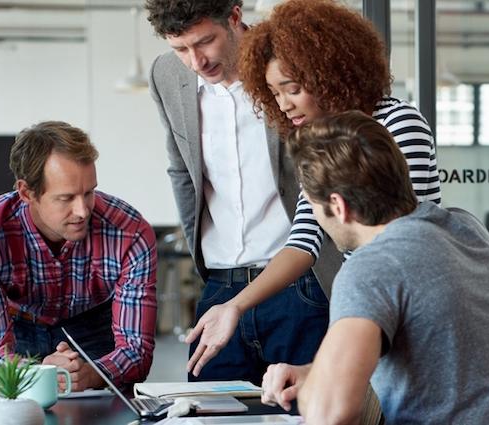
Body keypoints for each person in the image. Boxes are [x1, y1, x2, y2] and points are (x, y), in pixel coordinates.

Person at [184, 0, 442, 376]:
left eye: (292, 88)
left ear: (329, 73)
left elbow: (407, 243)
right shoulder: (317, 141)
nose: (284, 104)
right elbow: (304, 241)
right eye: (274, 93)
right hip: (365, 309)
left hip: (404, 315)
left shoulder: (398, 122)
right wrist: (234, 307)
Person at [261, 110, 489, 424]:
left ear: (338, 206)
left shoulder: (371, 267)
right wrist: (314, 375)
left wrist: (319, 390)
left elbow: (331, 412)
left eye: (312, 205)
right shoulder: (466, 229)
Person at [145, 0, 338, 384]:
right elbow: (182, 169)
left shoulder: (286, 65)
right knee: (208, 409)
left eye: (205, 42)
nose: (195, 61)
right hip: (220, 284)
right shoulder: (166, 75)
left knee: (304, 410)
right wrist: (203, 255)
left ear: (234, 17)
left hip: (300, 283)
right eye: (180, 48)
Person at [0, 121, 157, 392]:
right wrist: (39, 374)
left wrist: (93, 374)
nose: (83, 211)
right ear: (27, 193)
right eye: (66, 198)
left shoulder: (130, 232)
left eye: (89, 192)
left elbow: (137, 350)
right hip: (17, 332)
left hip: (95, 330)